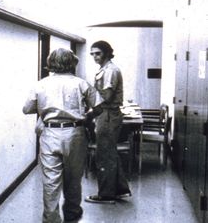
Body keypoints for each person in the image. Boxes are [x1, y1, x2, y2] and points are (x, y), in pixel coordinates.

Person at [23, 48, 103, 223]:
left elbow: (27, 109)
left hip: (50, 133)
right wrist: (86, 115)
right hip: (75, 133)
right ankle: (72, 212)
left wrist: (46, 110)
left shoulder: (41, 84)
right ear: (72, 63)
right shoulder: (81, 83)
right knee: (74, 177)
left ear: (50, 63)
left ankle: (51, 219)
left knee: (51, 181)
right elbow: (98, 107)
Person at [85, 40, 131, 204]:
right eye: (92, 54)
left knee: (104, 155)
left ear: (106, 52)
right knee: (110, 153)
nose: (94, 57)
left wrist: (89, 98)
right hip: (106, 114)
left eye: (98, 53)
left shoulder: (110, 70)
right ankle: (119, 190)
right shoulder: (105, 69)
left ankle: (106, 194)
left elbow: (107, 96)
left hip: (108, 115)